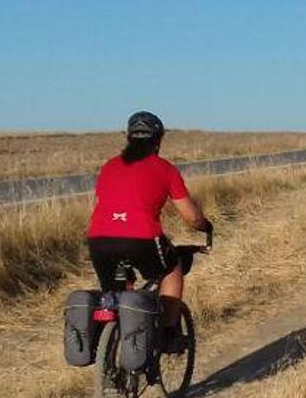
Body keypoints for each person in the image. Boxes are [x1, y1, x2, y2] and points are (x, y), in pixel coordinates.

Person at [86, 111, 212, 347]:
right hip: (142, 237)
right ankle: (168, 334)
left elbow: (99, 206)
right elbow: (191, 216)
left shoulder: (109, 166)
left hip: (99, 239)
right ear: (158, 140)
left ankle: (116, 348)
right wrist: (205, 226)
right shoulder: (165, 169)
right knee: (172, 269)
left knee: (117, 293)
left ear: (128, 137)